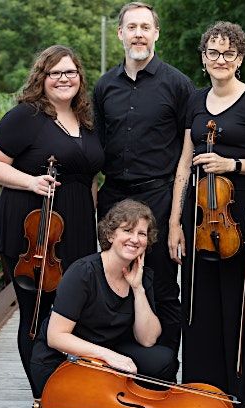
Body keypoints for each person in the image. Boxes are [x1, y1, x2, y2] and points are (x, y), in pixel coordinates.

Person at [167, 21, 245, 408]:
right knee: (198, 308)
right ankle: (202, 394)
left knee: (238, 307)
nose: (220, 60)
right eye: (213, 53)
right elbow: (183, 164)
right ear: (203, 58)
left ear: (241, 58)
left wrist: (231, 165)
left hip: (240, 217)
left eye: (228, 53)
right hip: (198, 219)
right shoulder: (195, 101)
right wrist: (175, 222)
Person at [0, 45, 103, 397]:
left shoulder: (86, 121)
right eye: (55, 73)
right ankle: (42, 396)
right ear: (42, 78)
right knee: (36, 313)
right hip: (33, 230)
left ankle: (66, 390)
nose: (64, 79)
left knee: (70, 312)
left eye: (70, 72)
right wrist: (31, 181)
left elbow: (89, 176)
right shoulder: (26, 116)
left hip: (76, 225)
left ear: (80, 77)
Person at [93, 2, 194, 366]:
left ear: (155, 34)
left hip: (159, 197)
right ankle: (121, 367)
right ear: (119, 33)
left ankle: (165, 371)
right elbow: (94, 149)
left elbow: (187, 154)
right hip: (114, 197)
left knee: (164, 285)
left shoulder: (179, 84)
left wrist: (175, 221)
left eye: (145, 27)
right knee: (114, 281)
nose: (138, 33)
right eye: (131, 27)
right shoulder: (104, 86)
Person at [29, 199, 177, 398]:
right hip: (64, 358)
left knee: (163, 360)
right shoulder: (83, 273)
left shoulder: (142, 276)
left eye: (141, 233)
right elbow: (56, 337)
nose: (135, 239)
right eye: (127, 230)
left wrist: (137, 289)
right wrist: (110, 356)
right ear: (110, 235)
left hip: (107, 353)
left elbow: (148, 339)